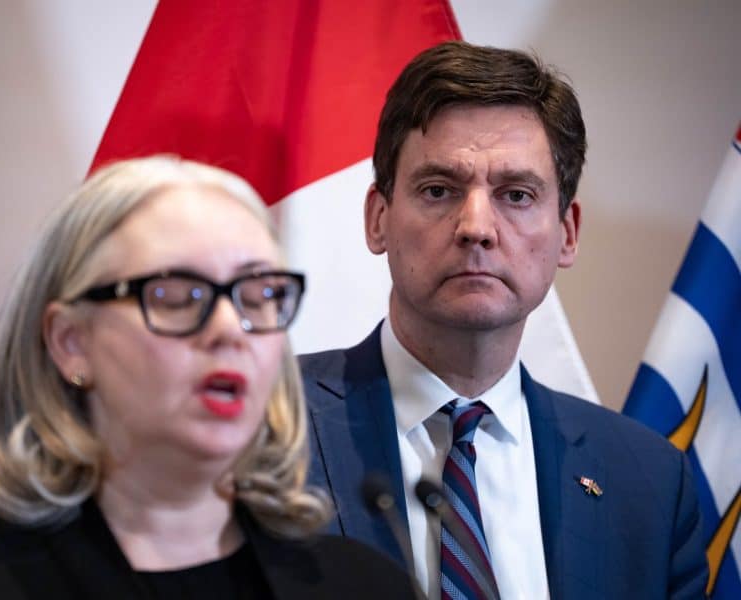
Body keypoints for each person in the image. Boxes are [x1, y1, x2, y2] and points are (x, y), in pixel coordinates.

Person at [301, 42, 708, 599]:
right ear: (378, 218)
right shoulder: (262, 428)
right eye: (438, 190)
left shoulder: (650, 485)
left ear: (567, 233)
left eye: (516, 195)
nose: (476, 227)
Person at [0, 156, 418, 599]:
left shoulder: (364, 585)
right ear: (71, 342)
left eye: (257, 295)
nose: (230, 328)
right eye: (175, 295)